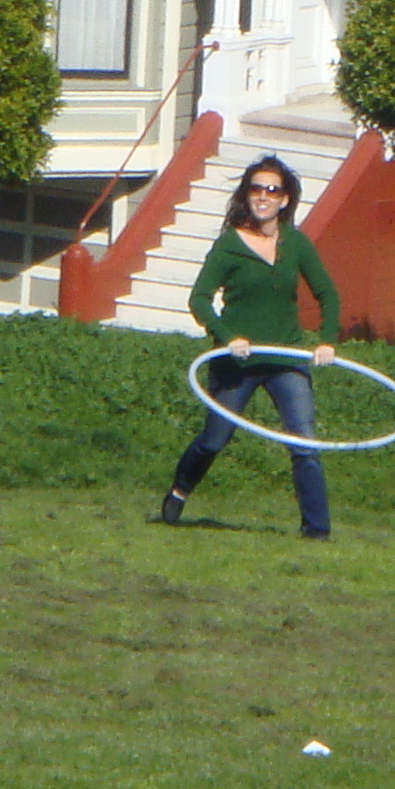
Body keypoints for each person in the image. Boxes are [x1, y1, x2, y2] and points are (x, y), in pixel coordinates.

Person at [154, 155, 342, 540]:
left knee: (303, 442)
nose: (263, 196)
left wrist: (326, 340)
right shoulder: (229, 245)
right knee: (214, 439)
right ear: (247, 195)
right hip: (236, 360)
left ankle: (317, 531)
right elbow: (200, 300)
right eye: (256, 188)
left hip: (286, 358)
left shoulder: (296, 243)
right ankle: (179, 490)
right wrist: (227, 336)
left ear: (284, 200)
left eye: (272, 190)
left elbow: (328, 294)